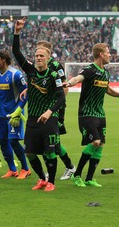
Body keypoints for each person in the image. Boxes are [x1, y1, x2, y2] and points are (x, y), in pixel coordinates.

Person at [66, 43, 119, 187]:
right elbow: (78, 78)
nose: (110, 55)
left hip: (100, 113)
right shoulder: (90, 69)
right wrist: (70, 83)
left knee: (101, 145)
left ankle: (89, 178)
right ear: (100, 54)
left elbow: (108, 89)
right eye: (108, 52)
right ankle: (77, 174)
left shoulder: (105, 72)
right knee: (95, 142)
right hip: (87, 113)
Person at [12, 18, 66, 192]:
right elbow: (16, 51)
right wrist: (17, 32)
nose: (38, 58)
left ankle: (52, 183)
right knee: (29, 152)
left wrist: (50, 112)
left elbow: (60, 97)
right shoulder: (30, 71)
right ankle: (42, 179)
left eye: (41, 56)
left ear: (48, 58)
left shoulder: (54, 75)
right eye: (36, 56)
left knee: (50, 153)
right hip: (33, 119)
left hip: (49, 119)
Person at [0, 49, 31, 180]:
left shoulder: (16, 74)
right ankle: (12, 169)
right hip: (3, 115)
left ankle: (25, 169)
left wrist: (18, 110)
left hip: (14, 114)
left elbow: (25, 94)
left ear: (3, 60)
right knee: (3, 141)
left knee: (14, 141)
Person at [37, 40, 76, 181]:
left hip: (54, 110)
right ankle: (67, 167)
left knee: (53, 142)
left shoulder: (55, 65)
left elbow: (64, 86)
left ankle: (69, 167)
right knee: (49, 141)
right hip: (42, 109)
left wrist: (58, 105)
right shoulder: (39, 67)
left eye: (41, 50)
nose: (38, 54)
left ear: (48, 51)